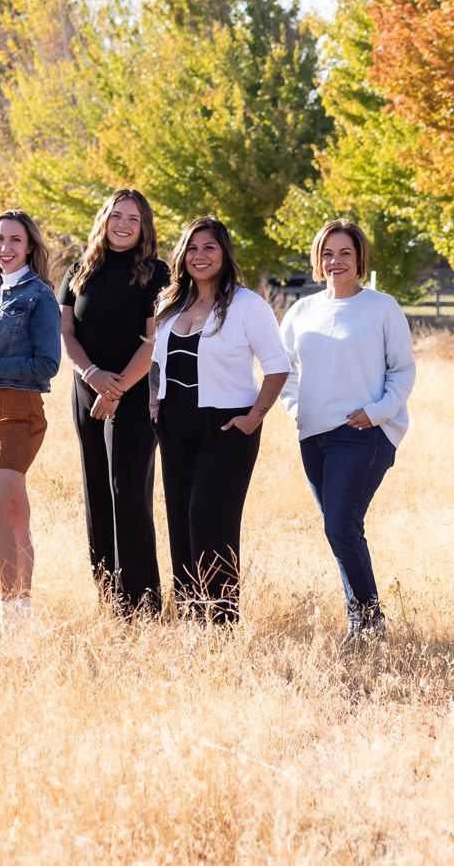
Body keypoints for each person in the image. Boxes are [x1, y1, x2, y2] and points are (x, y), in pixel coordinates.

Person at [279, 220, 415, 643]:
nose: (335, 262)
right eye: (327, 254)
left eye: (345, 254)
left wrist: (376, 413)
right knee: (340, 529)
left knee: (340, 525)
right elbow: (282, 370)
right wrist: (296, 407)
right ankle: (361, 620)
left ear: (359, 260)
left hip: (363, 434)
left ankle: (370, 623)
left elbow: (403, 370)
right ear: (318, 260)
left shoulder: (381, 307)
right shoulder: (302, 312)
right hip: (313, 438)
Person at [149, 217, 289, 625]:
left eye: (209, 247)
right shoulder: (170, 304)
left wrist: (254, 418)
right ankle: (193, 620)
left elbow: (277, 368)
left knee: (209, 520)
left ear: (224, 252)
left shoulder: (247, 305)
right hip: (174, 424)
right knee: (180, 521)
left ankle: (221, 623)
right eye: (192, 248)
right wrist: (154, 408)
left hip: (228, 427)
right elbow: (157, 361)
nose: (200, 256)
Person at [59, 190, 171, 616]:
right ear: (103, 220)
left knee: (127, 491)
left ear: (145, 227)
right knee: (95, 490)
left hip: (135, 393)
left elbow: (154, 338)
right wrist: (92, 377)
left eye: (134, 218)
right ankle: (108, 596)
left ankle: (142, 604)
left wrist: (117, 388)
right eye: (117, 216)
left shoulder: (156, 274)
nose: (123, 224)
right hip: (87, 390)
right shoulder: (78, 271)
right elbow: (67, 332)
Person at [0, 210, 62, 623]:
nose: (5, 247)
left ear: (30, 246)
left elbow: (47, 365)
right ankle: (24, 615)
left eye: (15, 240)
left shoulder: (40, 296)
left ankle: (10, 617)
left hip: (19, 412)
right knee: (16, 513)